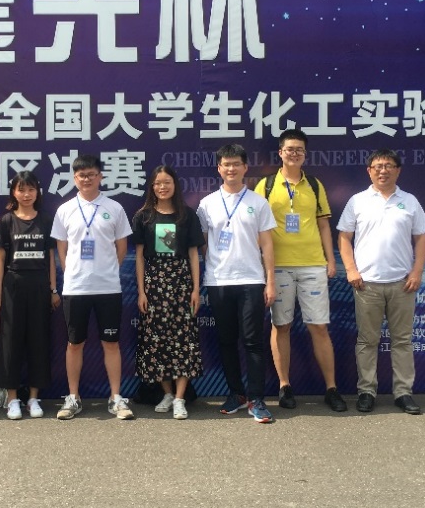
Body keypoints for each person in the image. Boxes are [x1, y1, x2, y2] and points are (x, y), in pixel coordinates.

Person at [254, 129, 347, 412]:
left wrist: (331, 260)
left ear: (305, 154)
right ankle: (284, 386)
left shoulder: (315, 185)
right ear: (280, 153)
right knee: (280, 326)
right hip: (278, 267)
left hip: (312, 265)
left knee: (318, 327)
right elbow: (256, 229)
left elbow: (323, 225)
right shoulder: (266, 186)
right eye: (289, 149)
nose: (294, 154)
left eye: (299, 150)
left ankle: (331, 388)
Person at [337, 149, 425, 415]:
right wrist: (351, 270)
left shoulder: (409, 201)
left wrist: (417, 272)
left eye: (389, 165)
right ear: (369, 171)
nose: (383, 170)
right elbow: (344, 237)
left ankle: (403, 393)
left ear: (397, 170)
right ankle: (366, 391)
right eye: (378, 166)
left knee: (402, 341)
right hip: (366, 284)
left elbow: (421, 238)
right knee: (367, 341)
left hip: (402, 283)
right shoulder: (357, 201)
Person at [197, 143, 278, 424]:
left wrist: (270, 281)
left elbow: (267, 244)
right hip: (219, 281)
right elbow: (203, 243)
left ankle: (257, 399)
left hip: (251, 280)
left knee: (253, 342)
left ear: (245, 167)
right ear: (219, 169)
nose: (231, 169)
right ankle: (236, 394)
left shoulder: (258, 202)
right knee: (226, 341)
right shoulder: (207, 204)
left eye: (236, 164)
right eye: (226, 164)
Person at [51, 154, 135, 420]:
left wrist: (107, 269)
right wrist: (71, 271)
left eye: (91, 174)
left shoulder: (115, 208)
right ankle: (73, 397)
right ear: (74, 178)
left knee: (111, 343)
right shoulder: (65, 209)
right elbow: (61, 247)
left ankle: (115, 397)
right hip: (75, 288)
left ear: (100, 176)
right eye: (81, 175)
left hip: (108, 287)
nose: (86, 179)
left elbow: (122, 247)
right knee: (74, 343)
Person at [132, 165, 204, 420]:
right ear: (152, 187)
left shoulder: (187, 215)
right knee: (157, 340)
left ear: (175, 185)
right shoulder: (143, 216)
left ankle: (181, 398)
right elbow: (139, 257)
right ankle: (167, 394)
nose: (162, 187)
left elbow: (194, 254)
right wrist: (142, 291)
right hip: (154, 283)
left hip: (181, 282)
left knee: (183, 340)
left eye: (167, 182)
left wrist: (196, 289)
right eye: (158, 183)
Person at [0, 171, 61, 420]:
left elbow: (51, 258)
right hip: (13, 285)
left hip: (40, 285)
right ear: (14, 193)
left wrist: (53, 289)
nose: (26, 194)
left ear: (37, 192)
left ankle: (33, 398)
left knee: (38, 341)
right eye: (21, 189)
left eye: (31, 189)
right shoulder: (7, 221)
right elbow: (0, 258)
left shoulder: (45, 219)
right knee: (10, 343)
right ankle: (12, 399)